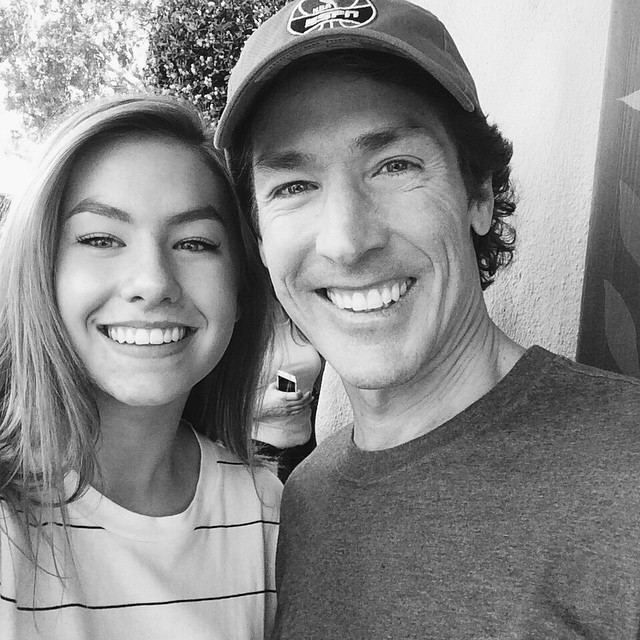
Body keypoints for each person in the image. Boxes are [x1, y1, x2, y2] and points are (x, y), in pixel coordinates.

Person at [214, 0, 640, 638]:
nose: (347, 240)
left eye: (394, 166)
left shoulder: (624, 472)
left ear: (478, 194)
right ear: (261, 241)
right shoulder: (302, 504)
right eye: (293, 186)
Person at [0, 95, 281, 639]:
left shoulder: (267, 511)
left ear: (240, 289)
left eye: (196, 242)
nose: (153, 282)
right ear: (38, 270)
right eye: (101, 239)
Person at [253, 302, 322, 480]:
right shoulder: (238, 319)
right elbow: (201, 407)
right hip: (258, 454)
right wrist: (264, 407)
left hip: (307, 449)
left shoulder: (298, 308)